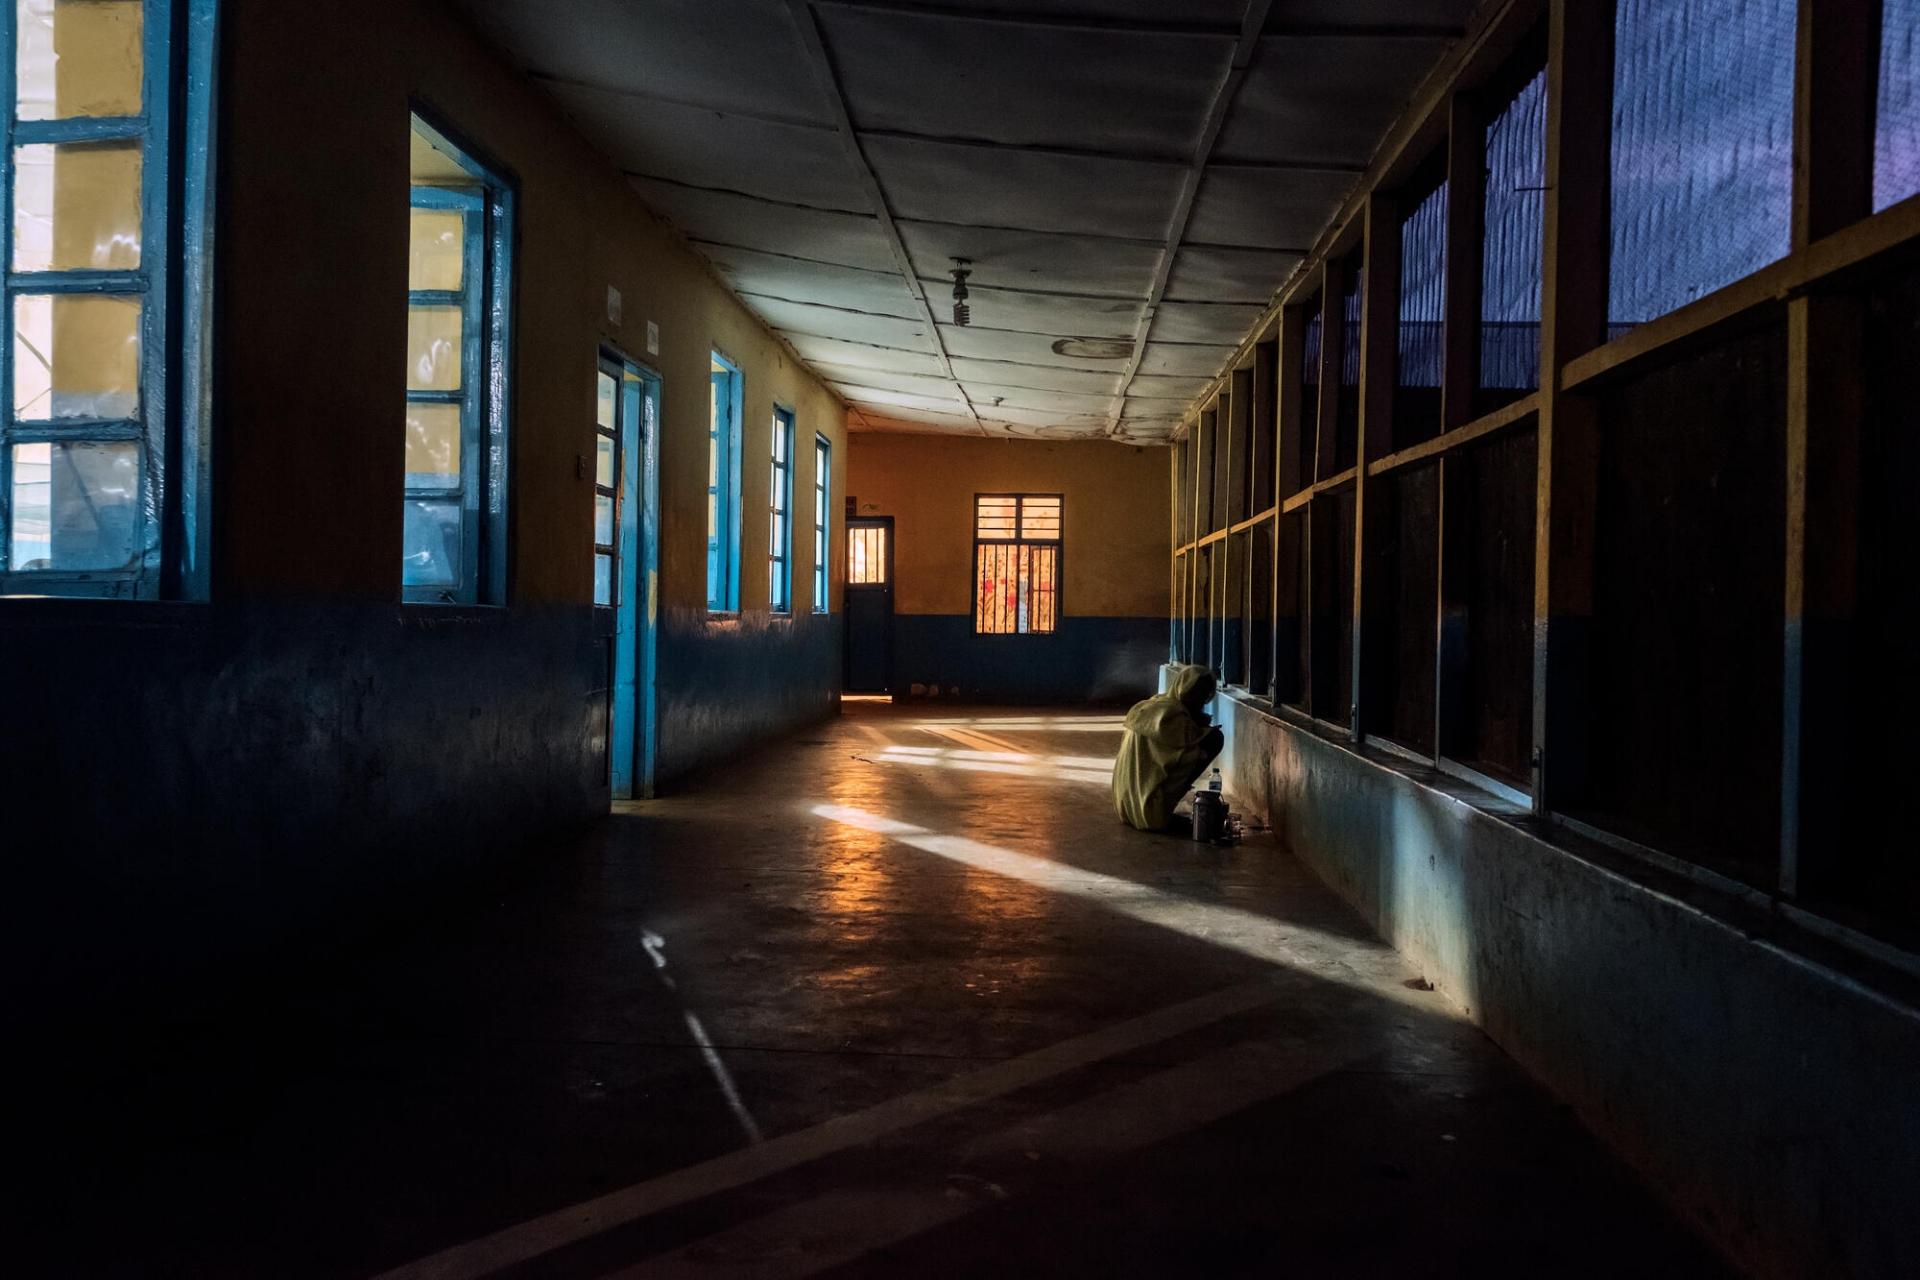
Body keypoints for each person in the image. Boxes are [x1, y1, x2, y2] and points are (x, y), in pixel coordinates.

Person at [1112, 664, 1225, 832]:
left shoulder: (1155, 704)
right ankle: (1161, 810)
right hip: (1150, 814)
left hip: (1124, 805)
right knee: (1214, 739)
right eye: (1196, 693)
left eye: (1204, 695)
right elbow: (1193, 742)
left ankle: (1159, 807)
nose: (1200, 700)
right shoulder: (1173, 716)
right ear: (1183, 689)